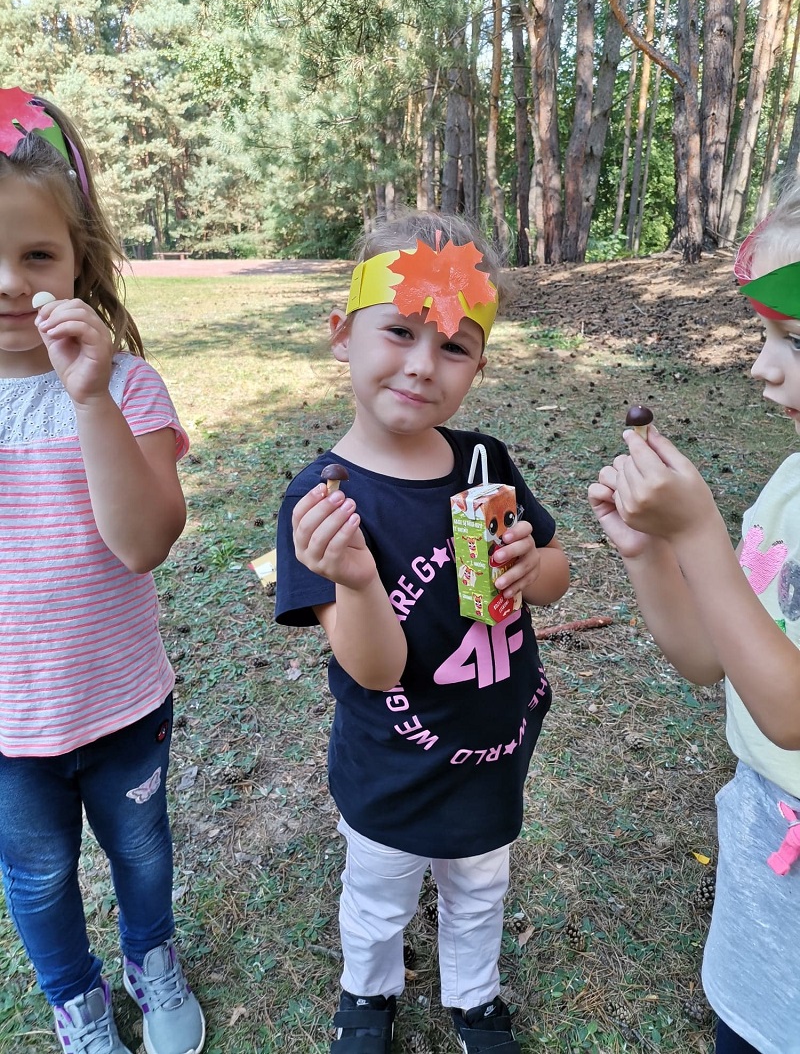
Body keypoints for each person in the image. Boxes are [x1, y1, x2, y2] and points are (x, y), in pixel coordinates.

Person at [275, 211, 570, 1053]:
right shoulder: (324, 498)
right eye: (400, 331)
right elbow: (375, 670)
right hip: (392, 768)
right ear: (342, 334)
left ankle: (475, 996)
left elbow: (557, 577)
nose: (421, 364)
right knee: (379, 897)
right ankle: (368, 992)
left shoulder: (484, 463)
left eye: (454, 346)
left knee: (480, 887)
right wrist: (357, 578)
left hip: (490, 751)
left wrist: (531, 566)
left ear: (479, 364)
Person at [0, 88, 205, 1054]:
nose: (9, 283)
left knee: (141, 853)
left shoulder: (127, 386)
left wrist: (89, 399)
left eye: (37, 256)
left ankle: (150, 957)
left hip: (122, 703)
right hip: (8, 728)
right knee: (37, 880)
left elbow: (144, 542)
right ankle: (75, 999)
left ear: (79, 259)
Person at [588, 181, 800, 1054]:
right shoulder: (790, 485)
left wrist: (701, 534)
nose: (762, 367)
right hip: (765, 840)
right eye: (764, 335)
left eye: (794, 338)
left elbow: (793, 715)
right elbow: (715, 662)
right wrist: (650, 554)